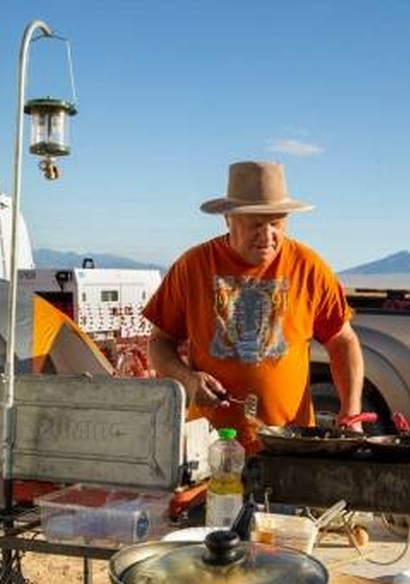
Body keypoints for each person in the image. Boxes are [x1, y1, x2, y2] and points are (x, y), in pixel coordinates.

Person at [143, 160, 364, 452]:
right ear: (228, 218)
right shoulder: (193, 266)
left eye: (277, 223)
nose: (268, 235)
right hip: (210, 446)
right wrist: (187, 379)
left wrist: (351, 412)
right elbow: (159, 343)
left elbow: (343, 342)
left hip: (290, 443)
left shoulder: (309, 267)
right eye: (256, 224)